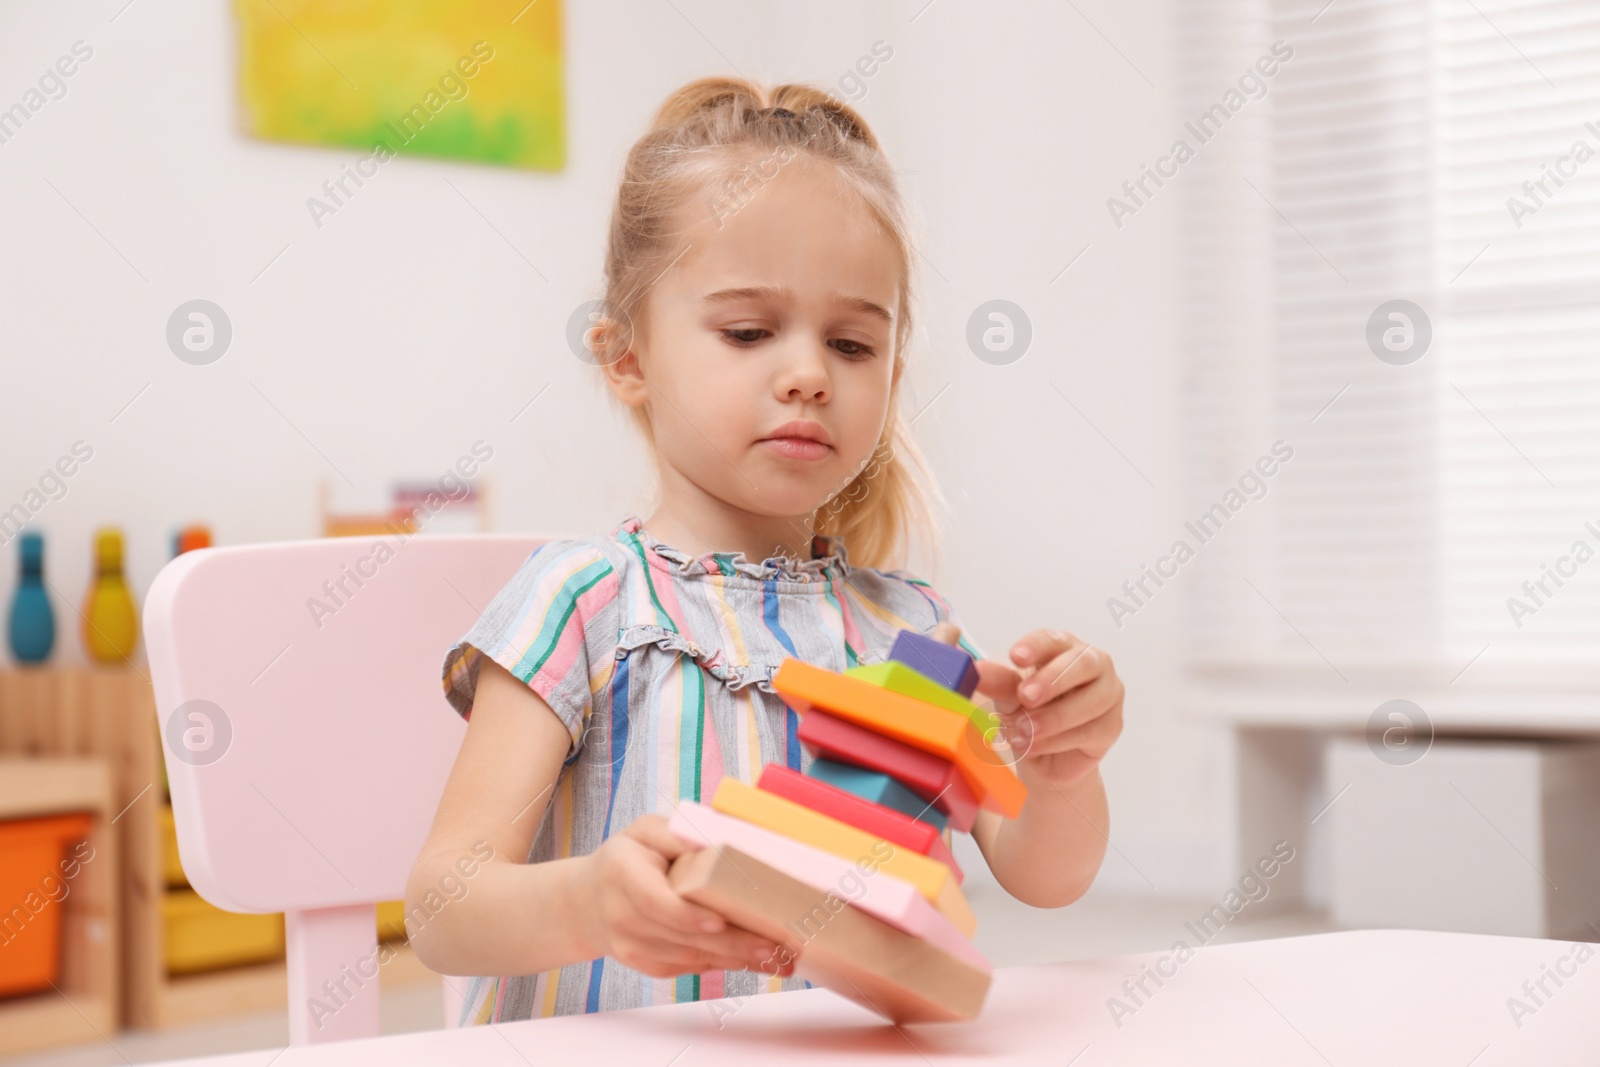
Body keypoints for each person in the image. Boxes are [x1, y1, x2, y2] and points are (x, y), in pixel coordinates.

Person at [405, 76, 1125, 1023]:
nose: (808, 375)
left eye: (854, 346)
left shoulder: (911, 628)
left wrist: (1059, 769)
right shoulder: (582, 600)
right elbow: (442, 907)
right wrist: (589, 902)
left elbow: (1044, 875)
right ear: (626, 357)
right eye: (748, 331)